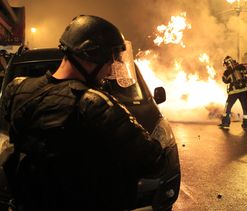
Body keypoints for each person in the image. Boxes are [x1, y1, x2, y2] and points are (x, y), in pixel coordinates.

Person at [0, 15, 166, 210]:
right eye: (110, 60)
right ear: (90, 55)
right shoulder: (94, 104)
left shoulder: (17, 89)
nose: (111, 68)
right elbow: (154, 161)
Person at [219, 56, 247, 131]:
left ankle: (225, 123)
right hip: (244, 91)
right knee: (245, 108)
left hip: (234, 92)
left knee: (228, 107)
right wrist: (242, 68)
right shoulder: (240, 66)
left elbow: (225, 81)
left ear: (227, 63)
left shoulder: (227, 72)